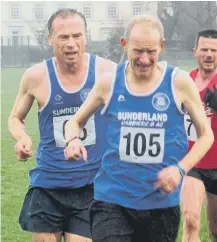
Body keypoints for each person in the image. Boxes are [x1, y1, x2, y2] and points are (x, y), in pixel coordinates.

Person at [64, 14, 214, 242]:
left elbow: (206, 135)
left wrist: (180, 169)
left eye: (151, 52)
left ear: (161, 47)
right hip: (112, 199)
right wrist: (72, 140)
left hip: (161, 203)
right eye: (137, 51)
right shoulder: (109, 82)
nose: (144, 59)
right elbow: (75, 121)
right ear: (124, 44)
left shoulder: (179, 83)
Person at [8, 8, 116, 242]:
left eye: (77, 36)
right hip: (48, 182)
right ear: (50, 39)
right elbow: (15, 118)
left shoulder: (107, 72)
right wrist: (22, 139)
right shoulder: (36, 76)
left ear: (86, 36)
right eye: (63, 37)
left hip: (91, 183)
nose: (71, 44)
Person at [181, 29, 217, 242]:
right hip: (192, 162)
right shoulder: (184, 82)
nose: (209, 54)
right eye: (204, 49)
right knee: (191, 220)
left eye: (214, 50)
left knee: (215, 229)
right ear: (195, 52)